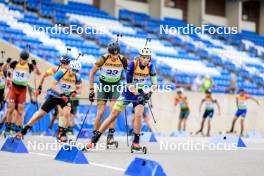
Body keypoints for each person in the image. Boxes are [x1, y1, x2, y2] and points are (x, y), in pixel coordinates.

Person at [84, 46, 157, 151]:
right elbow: (129, 84)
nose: (146, 60)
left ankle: (136, 142)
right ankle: (94, 140)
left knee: (139, 114)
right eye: (144, 57)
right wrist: (138, 94)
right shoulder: (132, 64)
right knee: (113, 115)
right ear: (140, 57)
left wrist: (149, 92)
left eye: (148, 58)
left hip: (139, 92)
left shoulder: (151, 66)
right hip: (128, 92)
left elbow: (155, 84)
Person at [16, 60, 82, 142]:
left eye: (76, 71)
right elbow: (52, 85)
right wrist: (60, 94)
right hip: (54, 96)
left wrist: (74, 92)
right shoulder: (60, 72)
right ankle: (24, 131)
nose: (74, 72)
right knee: (40, 114)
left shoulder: (77, 77)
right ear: (69, 67)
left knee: (66, 113)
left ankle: (62, 134)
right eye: (73, 70)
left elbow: (79, 88)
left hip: (64, 98)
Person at [88, 41, 128, 145]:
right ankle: (95, 134)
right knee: (101, 112)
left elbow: (129, 72)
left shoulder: (123, 60)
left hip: (115, 86)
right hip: (103, 86)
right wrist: (91, 89)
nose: (115, 57)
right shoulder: (103, 58)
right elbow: (92, 73)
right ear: (108, 53)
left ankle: (110, 136)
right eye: (112, 55)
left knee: (113, 111)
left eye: (117, 54)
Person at [4, 50, 41, 135]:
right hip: (14, 88)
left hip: (22, 90)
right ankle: (8, 127)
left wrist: (35, 65)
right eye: (23, 59)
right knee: (10, 109)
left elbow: (38, 73)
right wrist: (7, 62)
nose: (24, 61)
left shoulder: (29, 66)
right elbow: (5, 69)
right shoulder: (15, 63)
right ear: (20, 58)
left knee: (21, 111)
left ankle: (19, 129)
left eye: (26, 59)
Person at [35, 55, 70, 131]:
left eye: (66, 63)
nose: (64, 65)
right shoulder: (55, 69)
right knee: (41, 110)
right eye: (63, 63)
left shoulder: (69, 73)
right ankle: (33, 126)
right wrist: (39, 87)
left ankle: (60, 131)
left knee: (60, 113)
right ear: (60, 63)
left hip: (61, 95)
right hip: (52, 93)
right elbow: (43, 75)